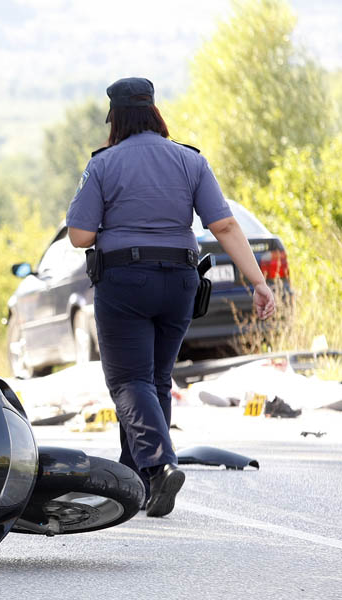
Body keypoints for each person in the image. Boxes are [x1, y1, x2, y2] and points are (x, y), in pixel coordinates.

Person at [65, 77, 276, 517]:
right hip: (181, 280)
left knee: (128, 381)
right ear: (155, 111)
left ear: (116, 117)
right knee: (156, 380)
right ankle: (135, 479)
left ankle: (160, 466)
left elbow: (80, 235)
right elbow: (226, 227)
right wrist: (258, 282)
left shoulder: (103, 165)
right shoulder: (190, 160)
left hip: (125, 282)